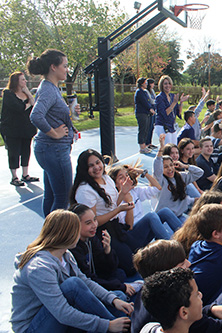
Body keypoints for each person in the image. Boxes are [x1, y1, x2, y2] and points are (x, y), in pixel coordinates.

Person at [10, 209, 134, 333]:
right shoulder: (40, 268)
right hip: (34, 327)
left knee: (118, 296)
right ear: (67, 234)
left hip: (55, 315)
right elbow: (62, 312)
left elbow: (85, 282)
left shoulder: (65, 254)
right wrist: (107, 325)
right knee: (72, 285)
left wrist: (113, 299)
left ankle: (120, 325)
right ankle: (123, 329)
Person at [70, 149, 138, 276]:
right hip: (101, 232)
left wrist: (122, 192)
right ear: (85, 169)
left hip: (116, 227)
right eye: (91, 166)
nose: (96, 167)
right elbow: (93, 221)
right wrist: (118, 210)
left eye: (97, 162)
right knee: (131, 267)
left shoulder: (106, 178)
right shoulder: (85, 190)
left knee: (140, 256)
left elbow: (111, 206)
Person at [28, 49, 77, 216]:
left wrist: (70, 112)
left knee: (50, 196)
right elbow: (36, 115)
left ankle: (48, 234)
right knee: (63, 198)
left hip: (49, 149)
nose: (67, 69)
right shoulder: (48, 89)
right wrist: (54, 133)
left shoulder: (50, 87)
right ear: (53, 67)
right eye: (65, 66)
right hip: (54, 149)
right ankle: (56, 238)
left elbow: (52, 114)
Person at [68, 203, 136, 298]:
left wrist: (107, 251)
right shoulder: (73, 248)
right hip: (85, 287)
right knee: (121, 295)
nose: (94, 225)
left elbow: (109, 268)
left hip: (95, 277)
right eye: (88, 223)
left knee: (120, 273)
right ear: (75, 225)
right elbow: (88, 280)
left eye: (95, 220)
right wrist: (121, 287)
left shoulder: (91, 238)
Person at [108, 164, 183, 240]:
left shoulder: (135, 191)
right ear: (115, 184)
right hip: (133, 235)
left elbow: (157, 188)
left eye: (127, 175)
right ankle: (172, 247)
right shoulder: (117, 201)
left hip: (145, 228)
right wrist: (129, 202)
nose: (126, 179)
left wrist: (144, 173)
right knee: (151, 216)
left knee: (165, 211)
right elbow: (129, 226)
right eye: (121, 178)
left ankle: (186, 237)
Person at [0, 71, 38, 186]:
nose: (25, 81)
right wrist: (27, 105)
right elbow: (18, 108)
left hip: (26, 128)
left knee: (26, 150)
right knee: (14, 152)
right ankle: (14, 177)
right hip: (12, 128)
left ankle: (25, 174)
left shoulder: (26, 94)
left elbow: (34, 104)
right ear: (16, 81)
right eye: (23, 79)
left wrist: (27, 93)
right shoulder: (8, 93)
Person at [154, 134, 203, 221]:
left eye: (171, 165)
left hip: (179, 214)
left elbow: (199, 172)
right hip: (165, 216)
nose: (169, 169)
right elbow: (157, 166)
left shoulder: (180, 176)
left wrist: (185, 166)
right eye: (166, 167)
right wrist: (161, 148)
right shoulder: (161, 180)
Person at [155, 75, 189, 144]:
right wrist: (174, 102)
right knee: (168, 147)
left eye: (169, 83)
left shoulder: (172, 96)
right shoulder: (159, 98)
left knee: (174, 146)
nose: (167, 86)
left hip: (171, 125)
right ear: (161, 85)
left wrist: (181, 102)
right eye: (165, 84)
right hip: (163, 125)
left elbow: (178, 112)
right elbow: (165, 113)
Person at [135, 77, 155, 154]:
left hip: (146, 113)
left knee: (147, 129)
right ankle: (142, 147)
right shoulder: (139, 92)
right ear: (142, 83)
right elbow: (145, 102)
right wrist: (150, 109)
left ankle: (145, 146)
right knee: (142, 129)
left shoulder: (144, 92)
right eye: (145, 83)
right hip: (141, 113)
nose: (147, 84)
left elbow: (149, 101)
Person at [146, 78, 157, 149]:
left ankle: (150, 143)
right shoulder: (146, 91)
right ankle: (146, 143)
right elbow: (151, 100)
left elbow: (155, 98)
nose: (153, 85)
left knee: (152, 127)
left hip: (154, 110)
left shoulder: (152, 91)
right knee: (148, 127)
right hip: (149, 111)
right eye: (152, 83)